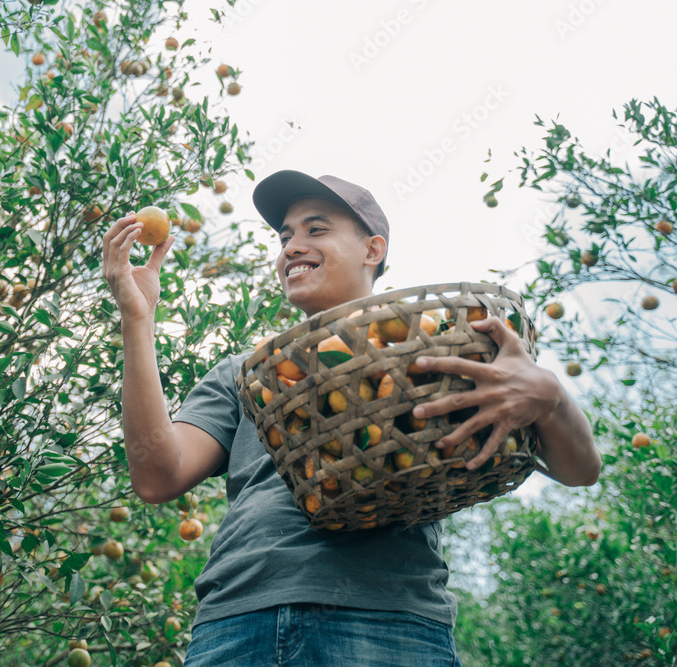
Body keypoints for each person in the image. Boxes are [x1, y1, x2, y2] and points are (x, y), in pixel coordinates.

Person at [101, 170, 601, 666]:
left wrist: (550, 396)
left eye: (316, 229)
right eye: (285, 236)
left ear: (372, 249)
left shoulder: (434, 346)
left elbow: (581, 469)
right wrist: (137, 318)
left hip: (388, 622)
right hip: (236, 622)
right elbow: (157, 475)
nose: (293, 246)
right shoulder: (247, 374)